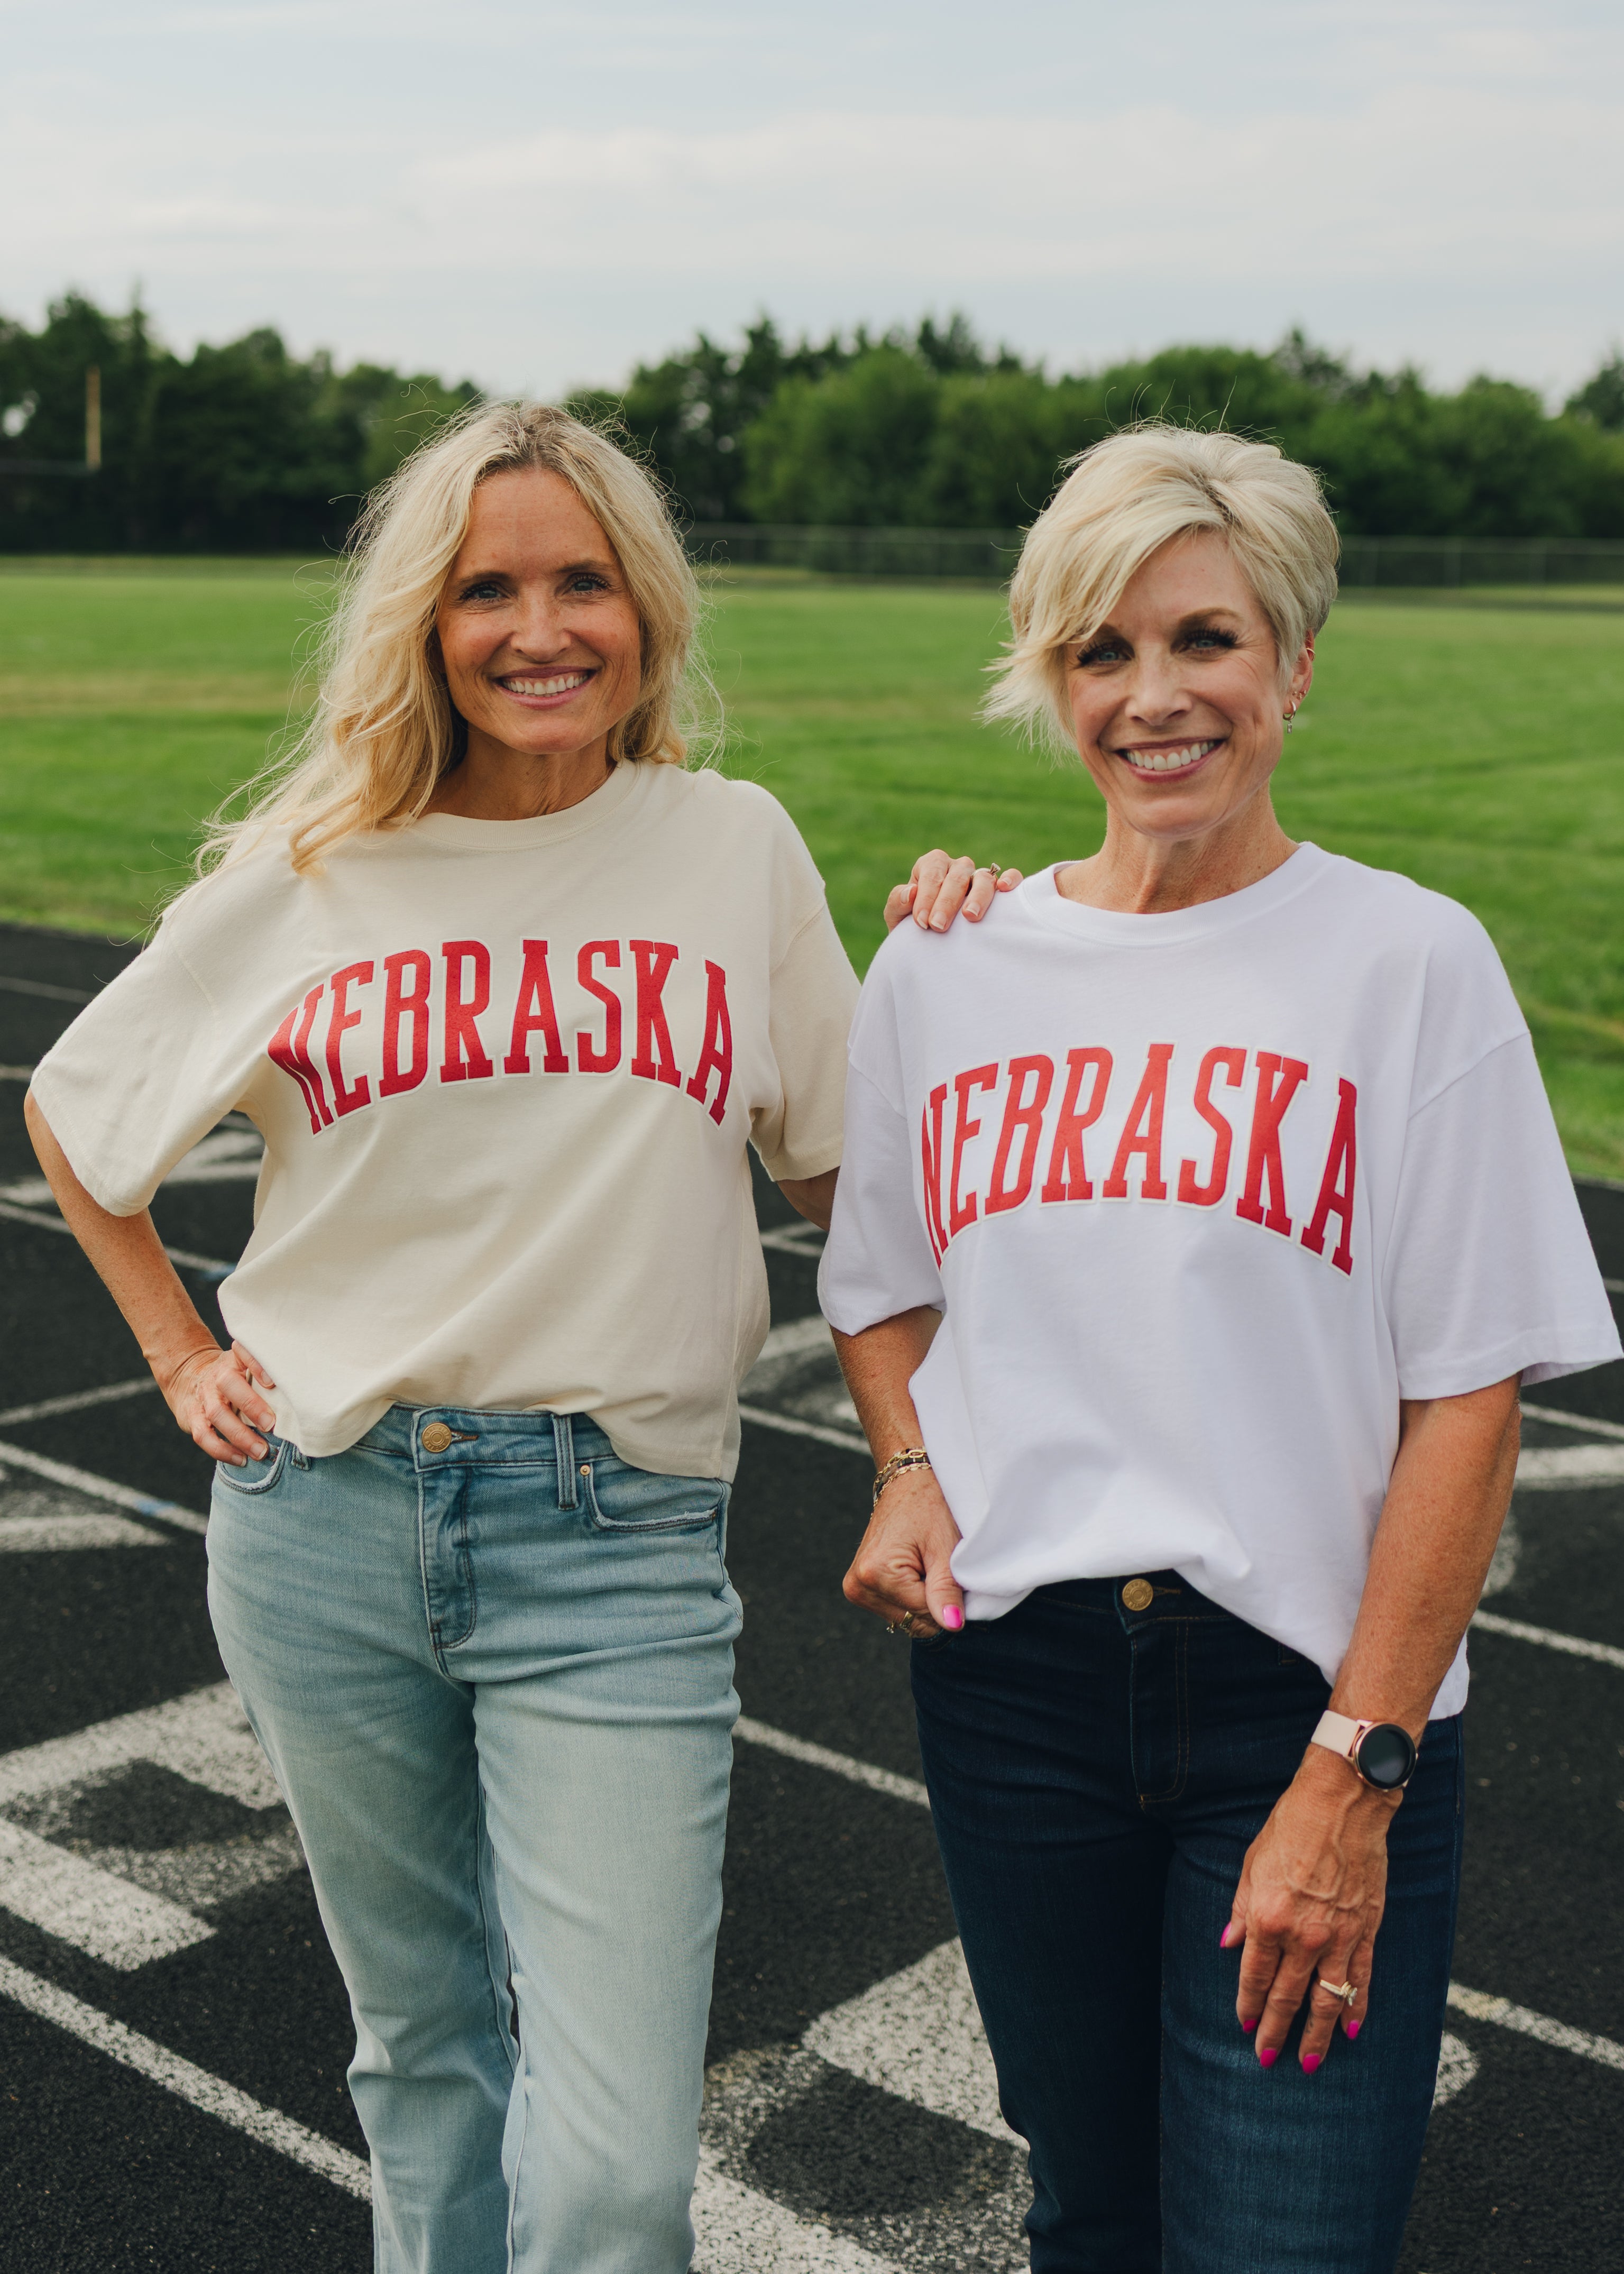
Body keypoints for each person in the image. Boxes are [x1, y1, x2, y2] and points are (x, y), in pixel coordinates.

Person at [23, 401, 1009, 2274]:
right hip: (327, 1519)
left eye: (583, 582)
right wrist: (174, 1351)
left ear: (646, 610)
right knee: (424, 2059)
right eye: (487, 587)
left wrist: (970, 950)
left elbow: (856, 1178)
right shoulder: (320, 865)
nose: (539, 628)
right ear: (425, 619)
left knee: (624, 2164)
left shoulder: (732, 847)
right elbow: (79, 1110)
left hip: (615, 1539)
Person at [820, 424, 1622, 2274]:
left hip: (1307, 1696)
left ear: (1296, 659)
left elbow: (1472, 1389)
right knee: (1089, 2216)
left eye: (1206, 639)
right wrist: (912, 1464)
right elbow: (878, 1282)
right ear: (1047, 680)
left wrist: (1354, 1766)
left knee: (1282, 2239)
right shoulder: (948, 965)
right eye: (1101, 651)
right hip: (1017, 1693)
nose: (1155, 694)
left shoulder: (1411, 964)